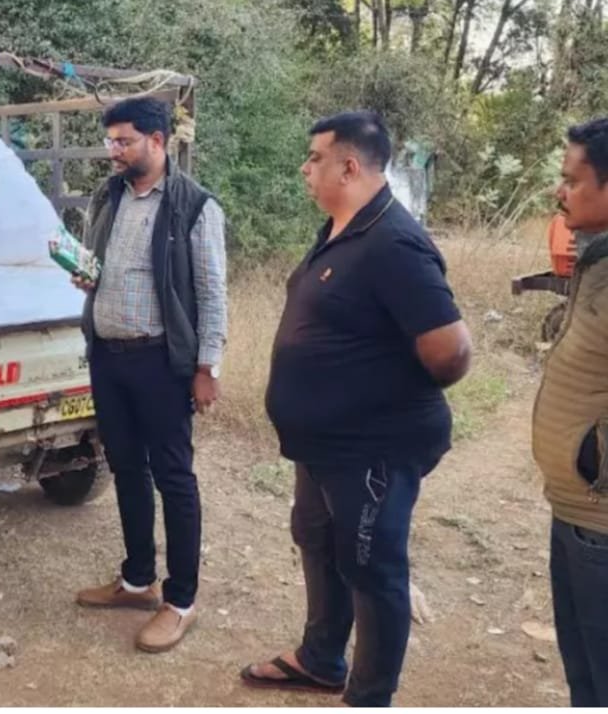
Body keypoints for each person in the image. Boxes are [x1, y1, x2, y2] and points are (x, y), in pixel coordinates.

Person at [242, 111, 471, 706]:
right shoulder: (344, 228)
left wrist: (375, 397)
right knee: (317, 540)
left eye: (314, 157)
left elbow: (450, 352)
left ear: (349, 166)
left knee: (372, 568)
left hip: (371, 449)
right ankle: (321, 660)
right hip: (324, 446)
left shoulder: (394, 242)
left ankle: (368, 697)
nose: (304, 167)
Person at [72, 96, 227, 653]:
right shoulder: (108, 195)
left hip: (161, 363)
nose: (113, 150)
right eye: (110, 140)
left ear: (157, 141)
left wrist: (207, 367)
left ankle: (180, 601)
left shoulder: (194, 206)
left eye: (124, 141)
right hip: (108, 358)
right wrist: (86, 278)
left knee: (173, 477)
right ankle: (138, 580)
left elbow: (212, 293)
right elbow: (99, 263)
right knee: (126, 468)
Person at [532, 118, 608, 707]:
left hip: (600, 519)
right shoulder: (597, 261)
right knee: (585, 679)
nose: (561, 192)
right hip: (575, 509)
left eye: (573, 180)